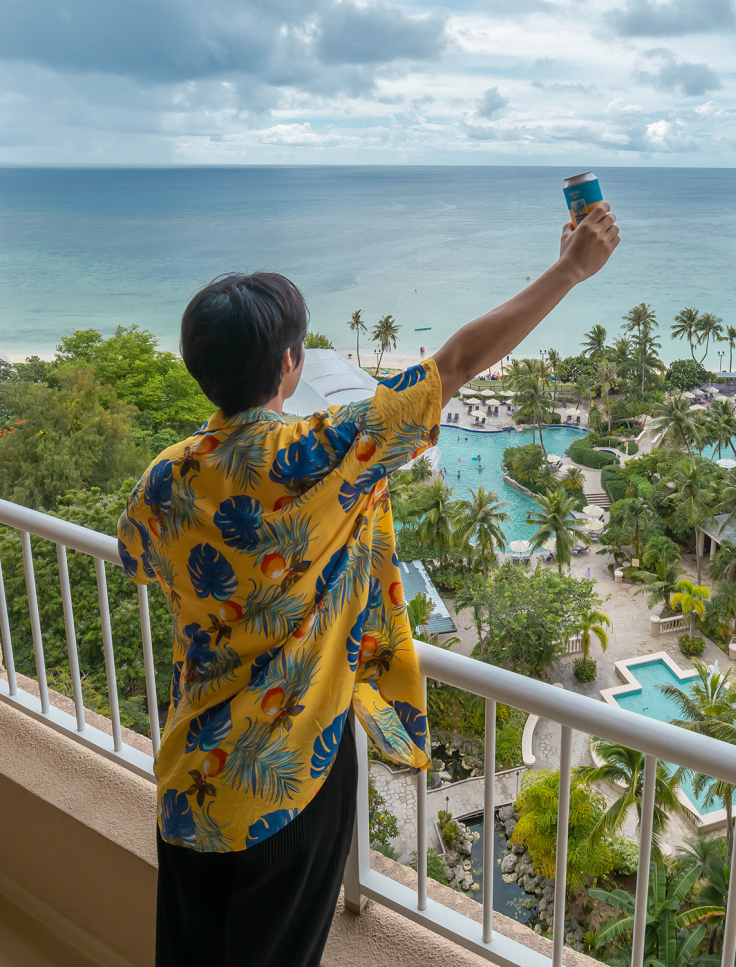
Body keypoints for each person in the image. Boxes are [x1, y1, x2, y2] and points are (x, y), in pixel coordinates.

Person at [117, 203, 619, 967]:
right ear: (289, 365)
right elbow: (452, 367)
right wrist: (570, 271)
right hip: (290, 784)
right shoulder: (324, 454)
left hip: (190, 782)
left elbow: (137, 559)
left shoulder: (164, 478)